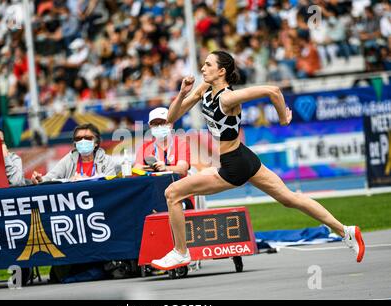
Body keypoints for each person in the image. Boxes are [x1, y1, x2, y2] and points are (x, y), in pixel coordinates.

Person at [150, 50, 365, 270]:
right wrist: (183, 93)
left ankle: (180, 252)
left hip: (233, 167)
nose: (202, 68)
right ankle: (346, 231)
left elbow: (274, 90)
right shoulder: (205, 90)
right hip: (244, 157)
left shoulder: (228, 97)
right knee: (290, 198)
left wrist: (283, 119)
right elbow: (171, 118)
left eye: (208, 65)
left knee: (173, 193)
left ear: (221, 71)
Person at [31, 123, 116, 184]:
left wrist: (87, 180)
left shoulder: (107, 161)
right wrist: (40, 179)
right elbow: (50, 177)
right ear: (75, 143)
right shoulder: (68, 159)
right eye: (79, 138)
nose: (83, 141)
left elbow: (111, 185)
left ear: (96, 142)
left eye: (88, 138)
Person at [134, 107, 190, 178]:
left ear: (171, 124)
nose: (159, 126)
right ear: (150, 126)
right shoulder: (145, 147)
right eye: (155, 124)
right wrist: (146, 168)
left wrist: (166, 168)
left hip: (177, 186)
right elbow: (136, 168)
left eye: (163, 123)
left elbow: (182, 170)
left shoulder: (181, 144)